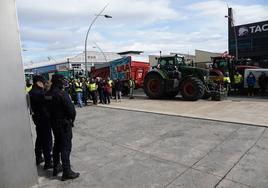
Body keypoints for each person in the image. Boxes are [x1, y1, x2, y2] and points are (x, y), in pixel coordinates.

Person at [45, 74, 80, 181]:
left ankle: (56, 167)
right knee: (65, 147)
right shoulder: (62, 94)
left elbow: (46, 109)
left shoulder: (48, 94)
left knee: (57, 145)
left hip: (54, 124)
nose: (65, 82)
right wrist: (71, 120)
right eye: (63, 80)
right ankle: (66, 171)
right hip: (64, 124)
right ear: (59, 81)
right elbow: (72, 111)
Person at [29, 75, 53, 169]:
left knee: (40, 139)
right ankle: (48, 162)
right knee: (47, 140)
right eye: (43, 82)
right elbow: (50, 98)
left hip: (38, 119)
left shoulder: (32, 91)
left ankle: (38, 157)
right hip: (43, 119)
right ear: (38, 82)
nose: (44, 84)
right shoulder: (38, 93)